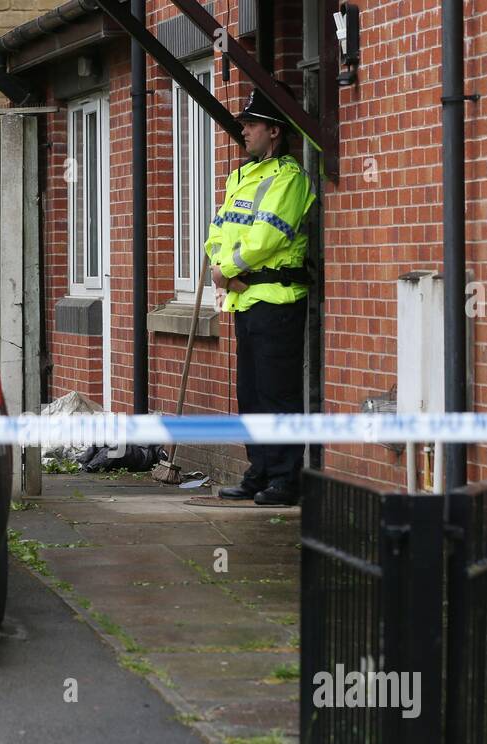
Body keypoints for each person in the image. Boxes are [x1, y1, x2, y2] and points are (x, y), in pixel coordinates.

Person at [205, 85, 316, 506]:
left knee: (278, 393)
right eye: (244, 124)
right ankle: (260, 471)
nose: (244, 131)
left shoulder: (288, 177)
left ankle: (286, 480)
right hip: (243, 300)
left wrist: (227, 269)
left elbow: (267, 236)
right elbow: (218, 231)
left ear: (274, 131)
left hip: (277, 300)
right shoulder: (239, 176)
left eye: (251, 124)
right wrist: (221, 269)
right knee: (251, 393)